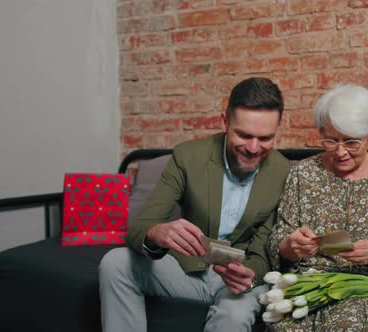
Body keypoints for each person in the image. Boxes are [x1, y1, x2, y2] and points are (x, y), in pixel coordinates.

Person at [99, 77, 291, 332]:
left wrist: (249, 274)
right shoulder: (188, 156)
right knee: (115, 262)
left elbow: (265, 250)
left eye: (265, 138)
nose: (254, 148)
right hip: (186, 269)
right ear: (225, 122)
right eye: (244, 135)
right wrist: (158, 232)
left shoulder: (284, 172)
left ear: (278, 128)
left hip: (238, 282)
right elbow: (141, 226)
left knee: (235, 314)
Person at [267, 84, 368, 331]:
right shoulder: (302, 174)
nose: (340, 152)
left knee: (346, 327)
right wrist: (291, 246)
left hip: (363, 289)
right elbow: (277, 243)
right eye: (331, 140)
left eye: (351, 142)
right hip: (308, 284)